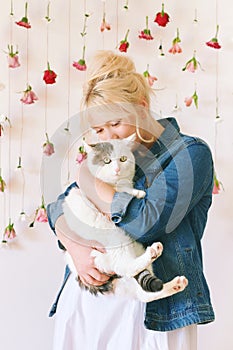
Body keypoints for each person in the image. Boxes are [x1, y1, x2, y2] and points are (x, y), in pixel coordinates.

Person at [47, 50, 215, 350]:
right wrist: (73, 244)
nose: (108, 137)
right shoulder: (110, 158)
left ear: (141, 107)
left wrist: (89, 181)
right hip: (89, 306)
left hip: (159, 311)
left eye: (115, 123)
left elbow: (146, 223)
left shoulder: (189, 154)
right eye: (99, 130)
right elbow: (59, 206)